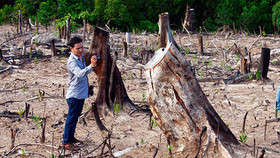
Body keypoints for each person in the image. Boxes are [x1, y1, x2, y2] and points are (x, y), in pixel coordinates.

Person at [62, 36, 98, 150]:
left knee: (75, 117)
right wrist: (92, 66)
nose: (81, 50)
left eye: (82, 47)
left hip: (81, 93)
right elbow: (80, 73)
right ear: (71, 49)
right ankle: (66, 142)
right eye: (78, 48)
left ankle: (71, 138)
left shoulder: (80, 57)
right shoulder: (72, 62)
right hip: (74, 95)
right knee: (71, 118)